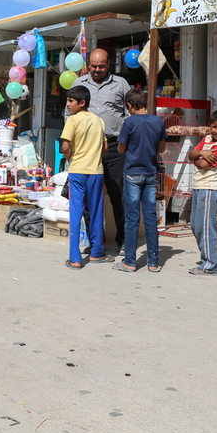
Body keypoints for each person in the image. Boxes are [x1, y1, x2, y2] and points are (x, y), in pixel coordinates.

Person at [65, 49, 130, 252]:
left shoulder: (121, 84)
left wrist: (126, 140)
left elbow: (129, 113)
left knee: (118, 193)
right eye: (93, 66)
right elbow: (69, 114)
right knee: (86, 198)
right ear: (88, 64)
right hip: (86, 149)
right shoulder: (79, 84)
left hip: (113, 146)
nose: (97, 70)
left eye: (101, 66)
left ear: (109, 63)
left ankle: (123, 239)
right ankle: (95, 242)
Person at [114, 88, 167, 273]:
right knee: (151, 218)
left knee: (132, 219)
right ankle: (153, 263)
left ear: (129, 105)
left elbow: (121, 149)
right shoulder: (158, 121)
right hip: (151, 174)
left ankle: (129, 261)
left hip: (132, 174)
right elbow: (161, 148)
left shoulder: (129, 122)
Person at [60, 85, 111, 269]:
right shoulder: (99, 121)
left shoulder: (72, 121)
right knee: (97, 212)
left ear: (82, 103)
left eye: (71, 101)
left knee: (76, 213)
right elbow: (105, 148)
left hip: (77, 172)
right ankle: (97, 252)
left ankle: (75, 258)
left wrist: (71, 158)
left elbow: (65, 147)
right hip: (96, 172)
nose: (68, 104)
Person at [187, 110, 217, 276]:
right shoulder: (207, 140)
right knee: (195, 225)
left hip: (210, 189)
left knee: (206, 228)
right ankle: (211, 259)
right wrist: (201, 152)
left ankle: (210, 266)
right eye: (214, 126)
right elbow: (191, 155)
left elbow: (201, 164)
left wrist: (200, 155)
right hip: (199, 187)